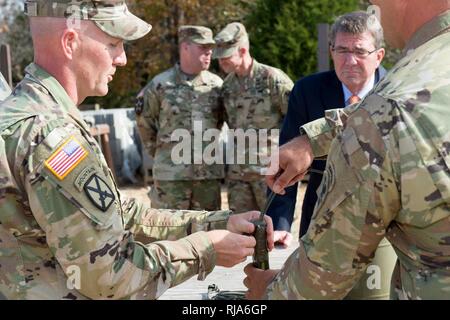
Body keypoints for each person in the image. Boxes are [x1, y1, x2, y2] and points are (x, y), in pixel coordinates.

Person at [0, 0, 274, 300]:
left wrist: (216, 223)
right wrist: (205, 249)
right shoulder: (51, 137)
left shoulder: (21, 116)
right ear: (70, 42)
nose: (122, 59)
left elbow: (117, 215)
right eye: (114, 44)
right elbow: (111, 279)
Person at [244, 0, 450, 299]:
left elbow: (319, 282)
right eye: (342, 51)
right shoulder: (411, 89)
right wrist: (313, 139)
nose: (374, 4)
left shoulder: (393, 102)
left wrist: (269, 291)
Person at [267, 11, 386, 237]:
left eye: (360, 51)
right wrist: (279, 224)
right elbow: (286, 160)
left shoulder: (396, 93)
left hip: (384, 219)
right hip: (321, 216)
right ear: (332, 51)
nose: (350, 61)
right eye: (342, 50)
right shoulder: (307, 91)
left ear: (378, 56)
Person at [135, 25, 225, 211]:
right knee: (169, 233)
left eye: (210, 48)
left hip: (206, 179)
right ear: (185, 47)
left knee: (209, 234)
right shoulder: (160, 85)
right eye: (202, 47)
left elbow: (221, 121)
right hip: (171, 179)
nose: (209, 53)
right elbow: (145, 125)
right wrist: (165, 155)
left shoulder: (217, 85)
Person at [214, 22, 294, 215]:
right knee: (243, 234)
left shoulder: (272, 79)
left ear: (242, 51)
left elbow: (295, 121)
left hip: (269, 173)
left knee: (274, 231)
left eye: (226, 57)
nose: (221, 62)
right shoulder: (227, 87)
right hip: (239, 177)